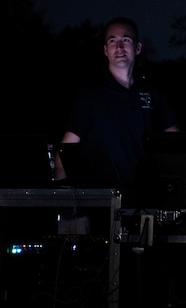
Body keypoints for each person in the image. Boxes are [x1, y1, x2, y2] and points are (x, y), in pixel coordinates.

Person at [54, 16, 179, 186]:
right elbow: (67, 148)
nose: (119, 47)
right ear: (106, 50)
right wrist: (61, 195)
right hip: (101, 196)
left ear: (138, 48)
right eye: (113, 41)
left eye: (126, 40)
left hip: (144, 195)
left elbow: (175, 141)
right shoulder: (91, 94)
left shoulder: (151, 92)